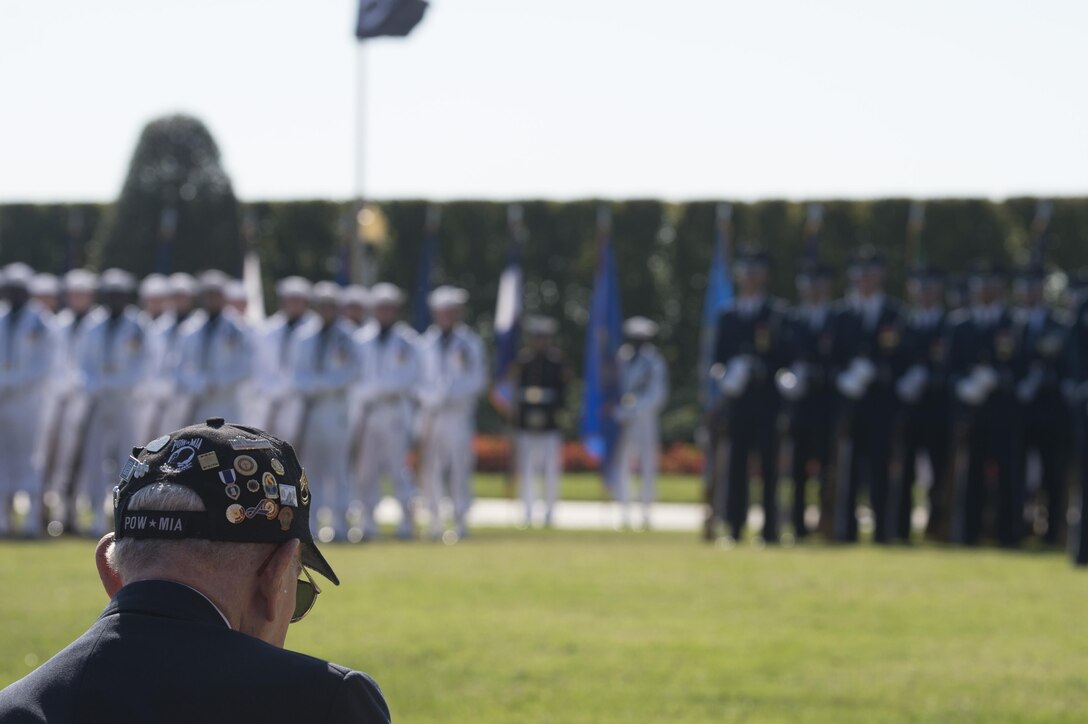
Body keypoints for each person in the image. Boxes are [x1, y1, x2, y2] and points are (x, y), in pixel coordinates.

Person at [0, 417, 390, 723]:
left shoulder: (17, 708)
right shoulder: (326, 702)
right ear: (276, 575)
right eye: (300, 594)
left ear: (111, 571)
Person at [831, 247, 908, 544]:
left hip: (881, 406)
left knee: (881, 470)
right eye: (859, 274)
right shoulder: (841, 314)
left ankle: (882, 532)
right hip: (849, 405)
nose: (864, 280)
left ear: (881, 277)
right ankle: (844, 531)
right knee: (847, 470)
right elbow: (831, 356)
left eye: (870, 273)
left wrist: (878, 371)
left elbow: (902, 357)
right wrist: (844, 375)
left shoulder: (895, 313)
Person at [712, 248, 788, 544]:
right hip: (737, 402)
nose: (750, 278)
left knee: (769, 466)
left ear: (765, 276)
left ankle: (770, 530)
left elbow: (785, 356)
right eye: (745, 271)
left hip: (767, 400)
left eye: (755, 271)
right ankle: (734, 527)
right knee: (736, 466)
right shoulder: (728, 314)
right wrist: (725, 375)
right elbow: (717, 359)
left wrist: (760, 368)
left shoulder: (776, 313)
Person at [946, 262, 1021, 547]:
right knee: (971, 474)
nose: (985, 291)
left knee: (1006, 475)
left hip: (1002, 412)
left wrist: (1000, 378)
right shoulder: (960, 324)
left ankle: (1007, 535)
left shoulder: (1012, 322)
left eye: (990, 285)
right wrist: (963, 385)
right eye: (980, 285)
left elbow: (1020, 367)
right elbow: (949, 370)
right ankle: (968, 534)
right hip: (971, 412)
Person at [74, 269, 147, 537]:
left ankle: (126, 510)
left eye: (119, 295)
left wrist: (121, 384)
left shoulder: (137, 325)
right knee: (94, 455)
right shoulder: (93, 324)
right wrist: (94, 384)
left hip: (126, 400)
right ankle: (95, 513)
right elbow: (83, 363)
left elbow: (144, 364)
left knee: (128, 456)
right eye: (110, 295)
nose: (114, 300)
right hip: (98, 398)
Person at [291, 281, 360, 541]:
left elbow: (352, 372)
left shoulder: (348, 335)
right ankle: (313, 524)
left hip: (336, 408)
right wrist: (317, 385)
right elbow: (297, 374)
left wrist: (321, 384)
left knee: (338, 468)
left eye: (331, 305)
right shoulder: (305, 335)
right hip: (311, 409)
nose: (326, 310)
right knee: (311, 470)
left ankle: (342, 524)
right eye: (322, 305)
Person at [417, 286, 487, 540]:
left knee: (459, 467)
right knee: (431, 468)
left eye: (452, 312)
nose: (447, 316)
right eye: (443, 312)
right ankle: (434, 520)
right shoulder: (424, 343)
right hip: (431, 414)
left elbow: (477, 380)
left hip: (457, 414)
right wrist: (430, 397)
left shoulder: (470, 343)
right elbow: (418, 381)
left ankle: (460, 520)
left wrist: (452, 393)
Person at [353, 283, 421, 540]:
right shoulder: (361, 339)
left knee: (399, 469)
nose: (385, 312)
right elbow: (354, 376)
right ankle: (367, 523)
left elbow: (410, 377)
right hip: (368, 412)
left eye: (390, 308)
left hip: (393, 411)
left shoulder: (408, 340)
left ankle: (407, 522)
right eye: (381, 308)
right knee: (366, 470)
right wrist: (366, 394)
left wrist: (379, 389)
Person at [778, 259, 837, 540]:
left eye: (818, 283)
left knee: (828, 468)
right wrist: (787, 376)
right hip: (799, 406)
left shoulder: (838, 318)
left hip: (827, 406)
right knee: (798, 470)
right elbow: (781, 357)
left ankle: (828, 522)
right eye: (808, 284)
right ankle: (798, 526)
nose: (813, 289)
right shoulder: (791, 319)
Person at [893, 264, 952, 542]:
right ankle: (900, 528)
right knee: (904, 471)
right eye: (919, 287)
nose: (924, 293)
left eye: (929, 287)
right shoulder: (904, 323)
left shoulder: (950, 325)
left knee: (940, 471)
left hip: (939, 411)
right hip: (909, 410)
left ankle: (938, 525)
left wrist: (930, 376)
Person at [1012, 265, 1069, 546]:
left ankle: (1053, 532)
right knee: (1017, 473)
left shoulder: (1060, 324)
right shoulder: (1013, 323)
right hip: (1020, 412)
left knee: (1053, 474)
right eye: (1025, 287)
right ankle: (1016, 529)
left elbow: (1068, 363)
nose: (1028, 293)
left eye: (1033, 287)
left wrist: (1048, 378)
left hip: (1051, 413)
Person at [37, 269, 98, 530]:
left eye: (82, 293)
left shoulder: (98, 323)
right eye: (73, 293)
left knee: (82, 459)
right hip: (56, 399)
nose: (77, 298)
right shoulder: (58, 323)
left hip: (88, 400)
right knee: (54, 459)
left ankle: (75, 512)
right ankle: (54, 512)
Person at [0, 263, 55, 537]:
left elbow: (45, 364)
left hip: (29, 400)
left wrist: (17, 382)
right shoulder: (1, 317)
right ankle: (4, 519)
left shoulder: (40, 321)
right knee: (2, 456)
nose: (12, 295)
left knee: (29, 457)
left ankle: (32, 519)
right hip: (3, 398)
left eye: (17, 290)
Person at [506, 316, 568, 528]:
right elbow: (515, 392)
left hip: (549, 424)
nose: (540, 342)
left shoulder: (556, 361)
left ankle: (550, 513)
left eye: (543, 338)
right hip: (526, 424)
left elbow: (562, 393)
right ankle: (527, 512)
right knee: (527, 471)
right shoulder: (523, 361)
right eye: (537, 338)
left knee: (551, 471)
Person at [173, 270, 252, 426]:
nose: (212, 300)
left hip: (227, 401)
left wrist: (220, 382)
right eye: (208, 295)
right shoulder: (191, 327)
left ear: (224, 297)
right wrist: (199, 383)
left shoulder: (237, 327)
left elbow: (247, 365)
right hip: (199, 400)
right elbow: (179, 366)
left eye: (216, 295)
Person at [614, 316, 668, 529]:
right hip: (622, 419)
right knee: (622, 465)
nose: (638, 342)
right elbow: (613, 388)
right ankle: (624, 510)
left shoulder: (655, 361)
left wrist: (633, 410)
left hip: (645, 419)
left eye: (641, 339)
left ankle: (646, 512)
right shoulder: (621, 357)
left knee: (647, 466)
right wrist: (620, 411)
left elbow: (657, 394)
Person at [253, 276, 314, 439]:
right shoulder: (267, 328)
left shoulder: (314, 328)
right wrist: (267, 388)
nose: (293, 304)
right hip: (269, 397)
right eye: (290, 299)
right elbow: (260, 364)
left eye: (297, 300)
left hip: (299, 399)